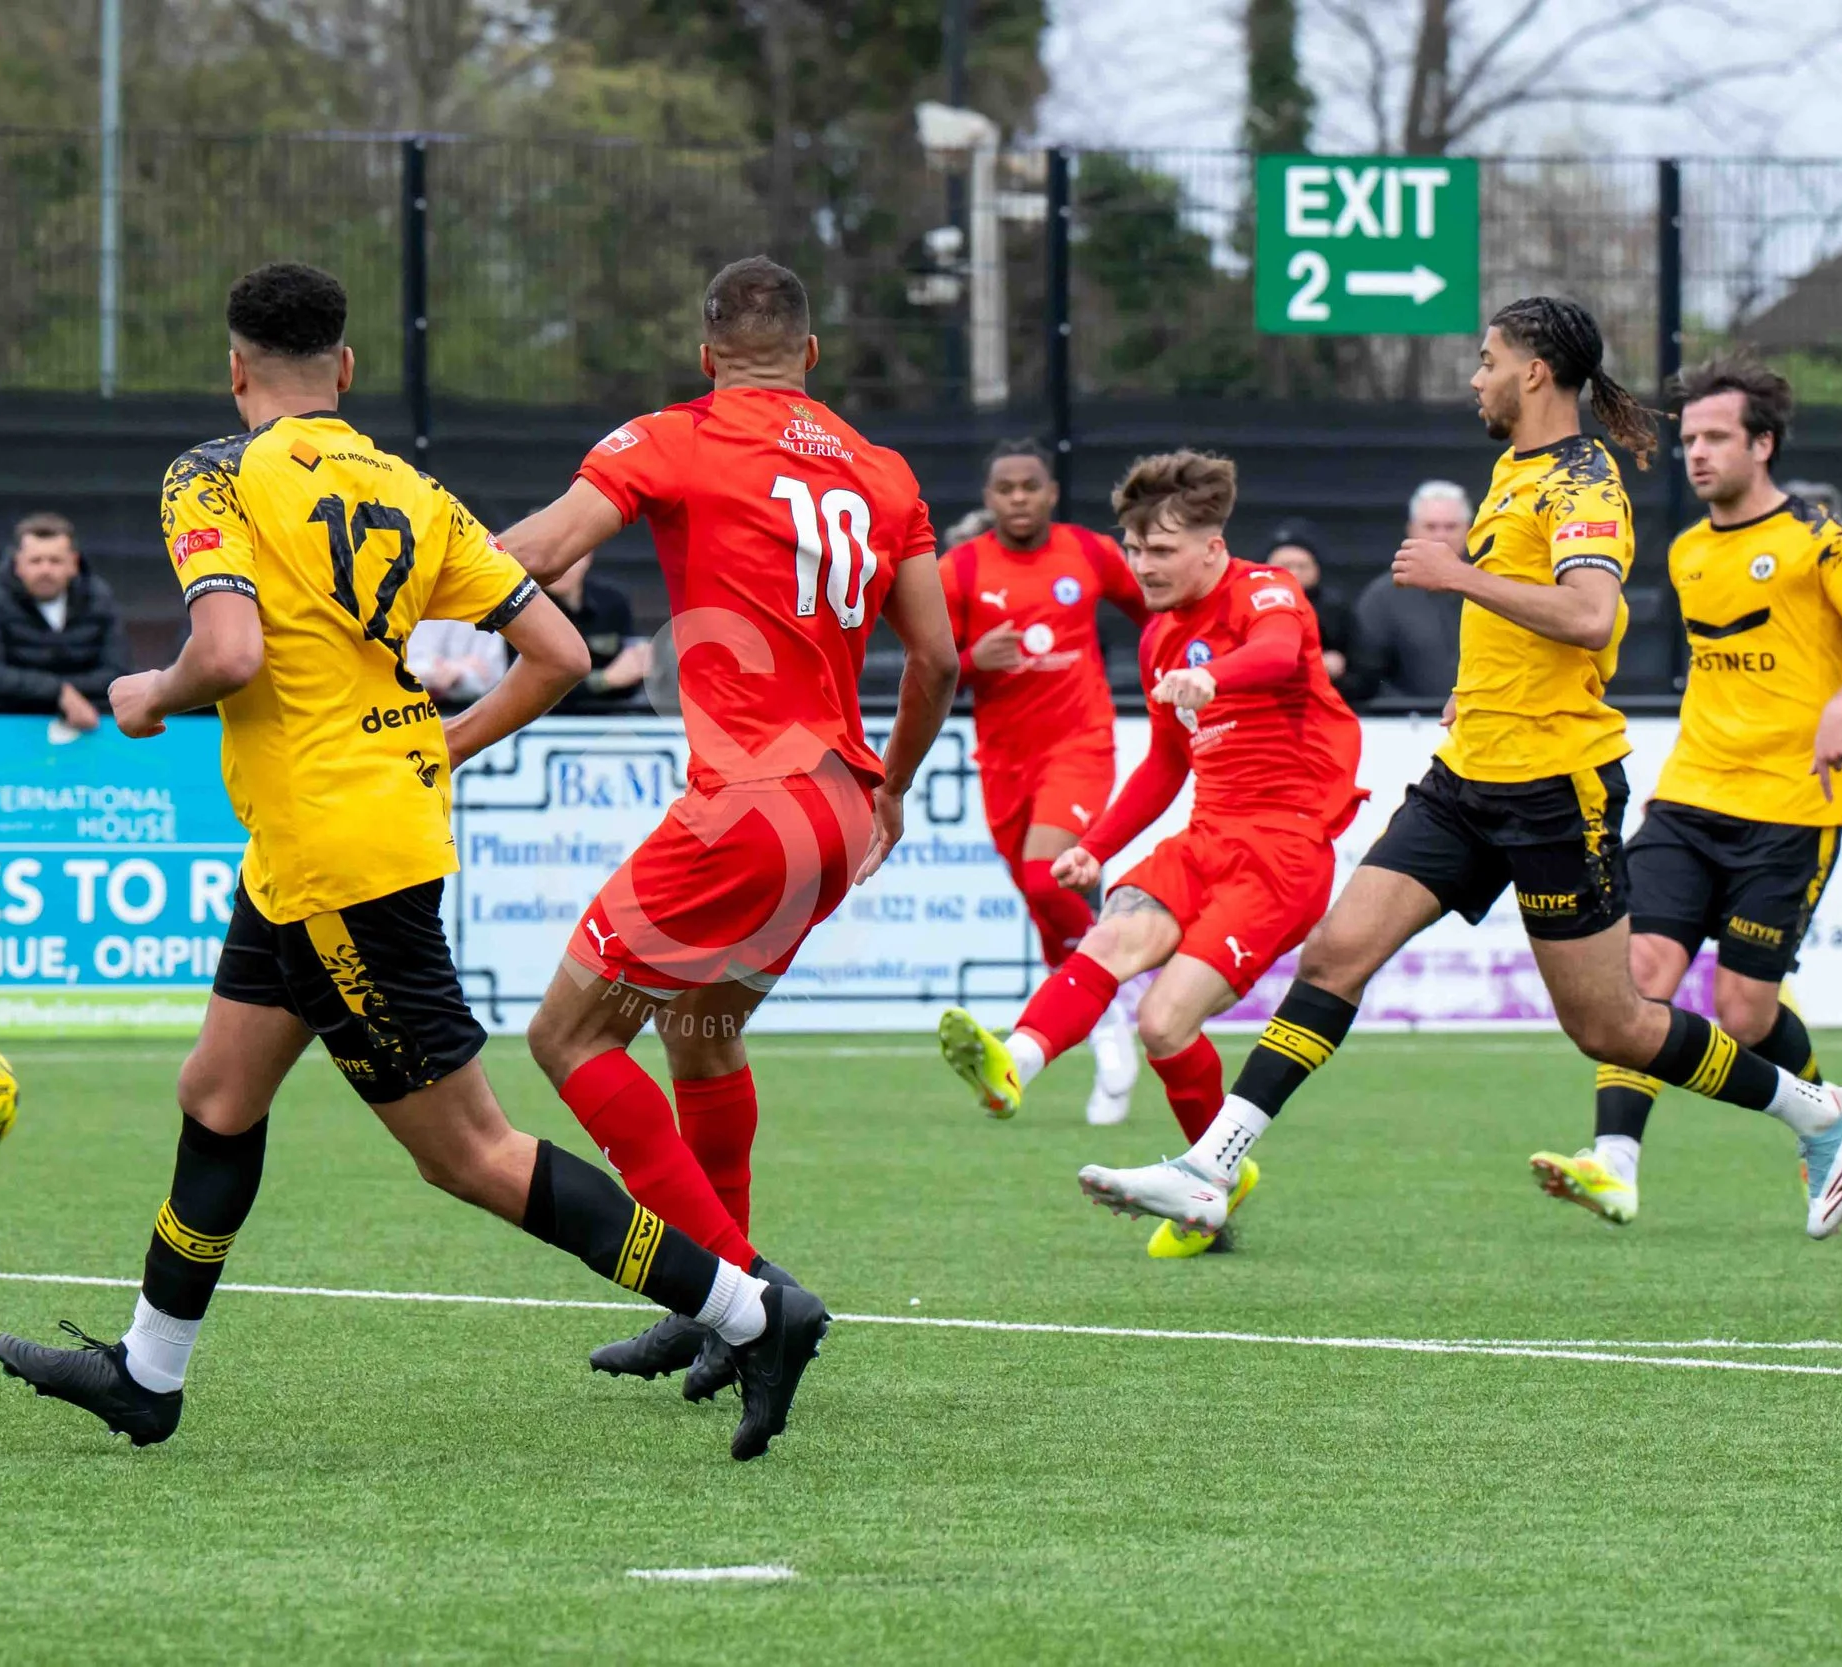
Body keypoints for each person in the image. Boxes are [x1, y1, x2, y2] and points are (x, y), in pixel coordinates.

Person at [0, 263, 825, 1462]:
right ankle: (146, 1373)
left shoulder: (213, 473)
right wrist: (439, 743)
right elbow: (557, 651)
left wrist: (144, 693)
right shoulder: (410, 489)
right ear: (347, 368)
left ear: (235, 371)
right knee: (218, 1094)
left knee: (469, 1153)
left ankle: (750, 1310)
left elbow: (223, 653)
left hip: (337, 861)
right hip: (330, 841)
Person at [1077, 297, 1842, 1244]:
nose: (1474, 375)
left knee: (1614, 1026)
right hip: (1467, 775)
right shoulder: (1514, 467)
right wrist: (1476, 683)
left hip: (1554, 789)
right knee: (1337, 953)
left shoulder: (1586, 482)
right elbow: (1532, 624)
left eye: (1486, 358)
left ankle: (1819, 1111)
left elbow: (1588, 615)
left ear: (1534, 371)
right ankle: (1212, 1168)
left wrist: (1455, 574)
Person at [497, 255, 958, 1402]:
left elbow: (542, 553)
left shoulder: (672, 435)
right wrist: (893, 785)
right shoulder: (884, 469)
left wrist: (381, 576)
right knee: (700, 1030)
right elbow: (939, 660)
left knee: (567, 1039)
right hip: (842, 810)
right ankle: (705, 1314)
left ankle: (744, 1296)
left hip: (748, 806)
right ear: (811, 354)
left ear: (705, 356)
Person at [938, 452, 1364, 1258]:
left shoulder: (1264, 588)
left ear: (1212, 545)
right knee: (1108, 938)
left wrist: (1218, 678)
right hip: (1205, 836)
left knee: (1164, 1023)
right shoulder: (1160, 638)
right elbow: (1167, 764)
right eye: (1134, 550)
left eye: (1161, 550)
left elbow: (1275, 653)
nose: (1143, 566)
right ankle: (1016, 1062)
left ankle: (1212, 1173)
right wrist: (1095, 847)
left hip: (1284, 849)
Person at [1532, 357, 1842, 1222]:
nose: (1695, 453)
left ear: (1762, 443)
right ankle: (1614, 1163)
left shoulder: (1824, 539)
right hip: (1690, 796)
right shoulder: (1688, 549)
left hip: (1790, 805)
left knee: (1742, 1010)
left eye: (1714, 437)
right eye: (1689, 437)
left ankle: (1829, 1119)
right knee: (1638, 976)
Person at [937, 438, 1151, 1125]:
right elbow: (927, 664)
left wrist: (1181, 671)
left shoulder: (1087, 553)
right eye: (1006, 488)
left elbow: (1159, 613)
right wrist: (973, 658)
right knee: (1043, 909)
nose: (1019, 499)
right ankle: (1106, 1021)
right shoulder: (961, 569)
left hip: (1080, 745)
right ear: (990, 498)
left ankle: (1114, 1023)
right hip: (1003, 762)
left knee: (1046, 877)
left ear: (1052, 492)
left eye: (1031, 486)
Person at [0, 511, 128, 729]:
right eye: (36, 561)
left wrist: (64, 692)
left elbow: (117, 671)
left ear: (74, 563)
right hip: (6, 730)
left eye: (55, 560)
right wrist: (58, 693)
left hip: (91, 727)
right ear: (17, 563)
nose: (45, 570)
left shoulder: (99, 599)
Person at [1340, 482, 1468, 703]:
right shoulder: (1382, 598)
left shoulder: (1492, 587)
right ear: (1411, 530)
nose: (1441, 536)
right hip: (1407, 727)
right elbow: (1365, 677)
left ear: (1469, 529)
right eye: (1431, 526)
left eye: (1450, 527)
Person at [545, 552, 650, 713]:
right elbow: (527, 687)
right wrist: (605, 679)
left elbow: (629, 674)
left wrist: (640, 662)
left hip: (610, 719)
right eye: (547, 556)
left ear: (587, 556)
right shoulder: (522, 609)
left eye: (568, 556)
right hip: (542, 724)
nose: (558, 566)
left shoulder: (612, 603)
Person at [1261, 517, 1352, 684]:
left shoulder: (1335, 609)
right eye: (1285, 566)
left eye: (1302, 566)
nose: (1294, 573)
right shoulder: (1246, 605)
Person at [406, 616, 510, 708]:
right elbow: (402, 668)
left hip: (471, 710)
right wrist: (452, 669)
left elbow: (490, 678)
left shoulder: (487, 609)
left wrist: (457, 675)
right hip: (411, 709)